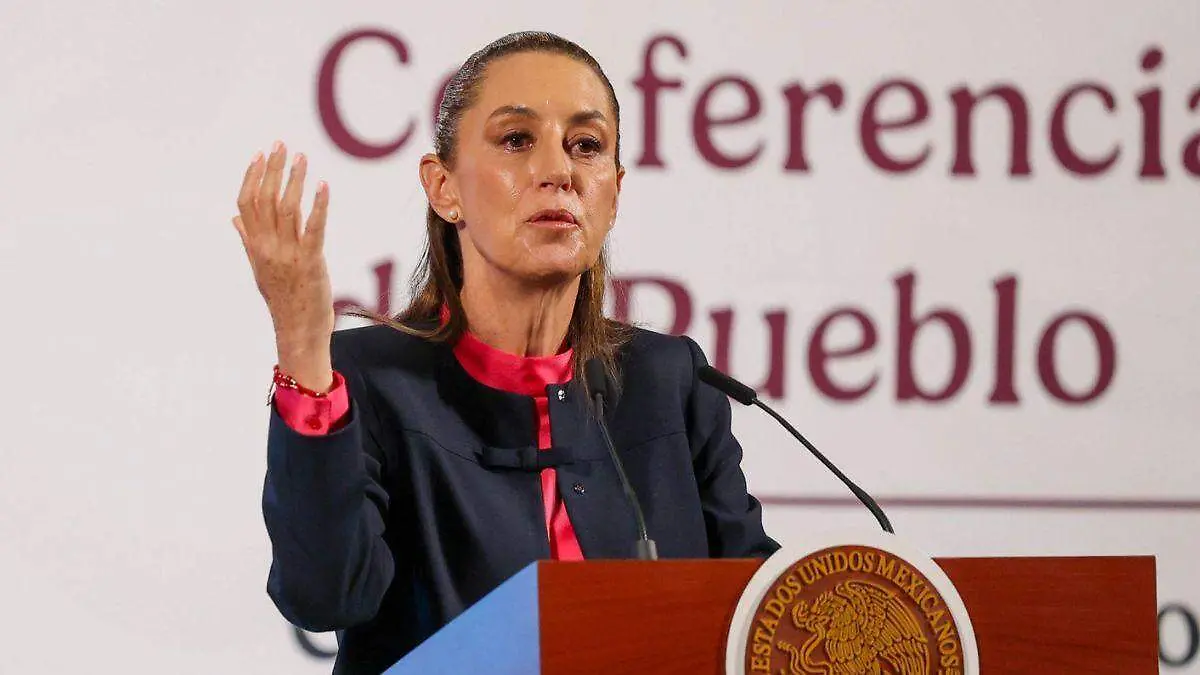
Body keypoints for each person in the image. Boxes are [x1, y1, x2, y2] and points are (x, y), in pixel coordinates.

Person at [232, 31, 779, 675]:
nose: (559, 172)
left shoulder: (669, 381)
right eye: (517, 140)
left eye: (586, 146)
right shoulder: (368, 380)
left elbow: (763, 613)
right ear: (443, 187)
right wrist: (302, 350)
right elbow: (324, 596)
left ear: (614, 191)